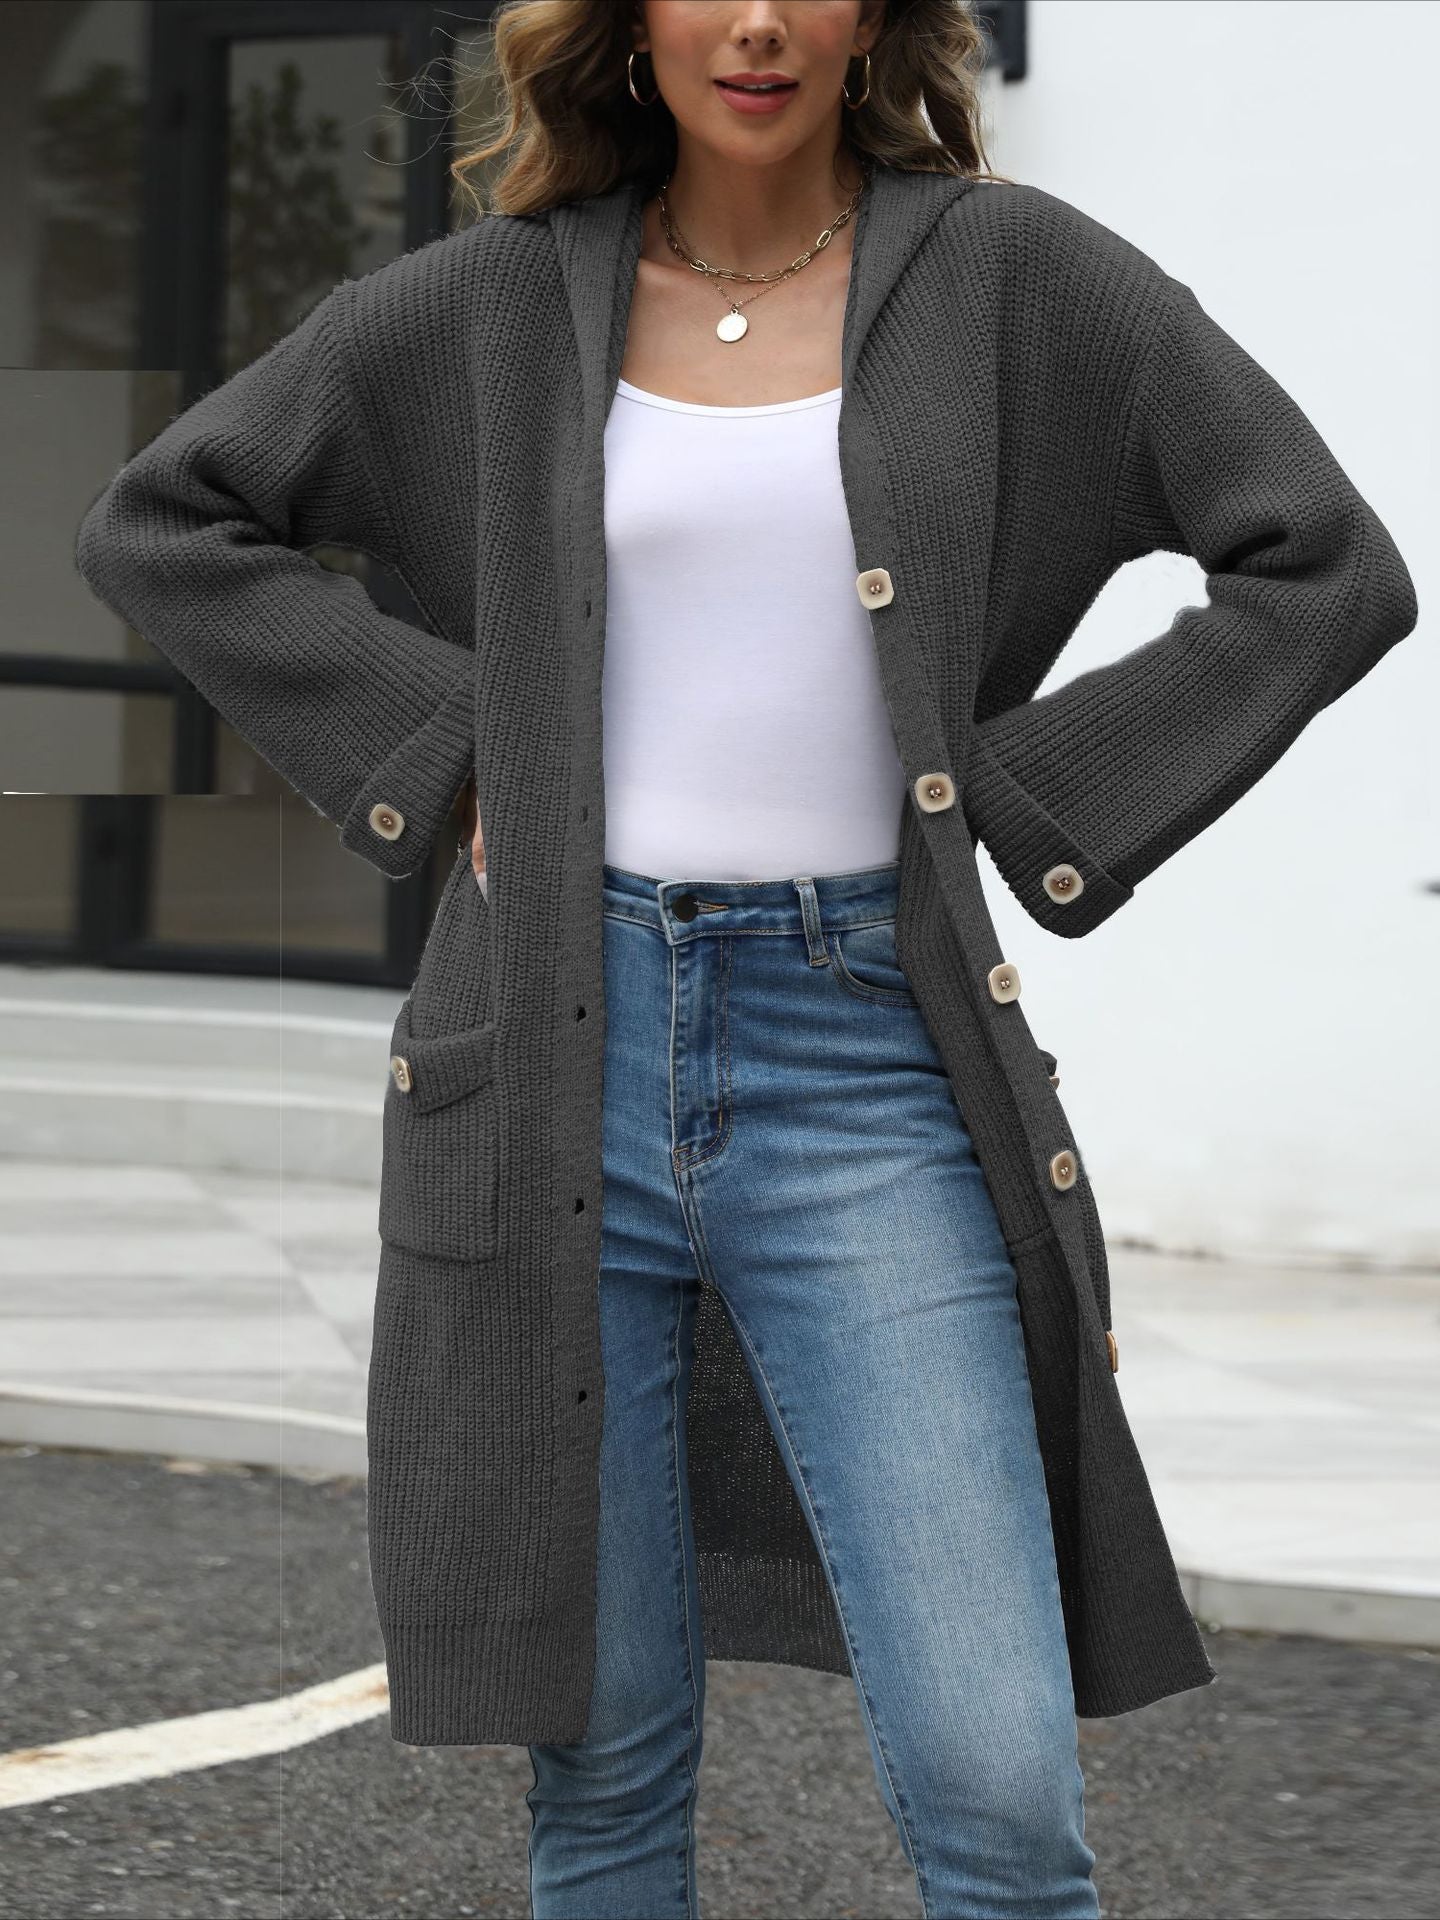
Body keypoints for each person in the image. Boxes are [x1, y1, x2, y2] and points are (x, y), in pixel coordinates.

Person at [74, 3, 1419, 1916]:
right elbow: (168, 519)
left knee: (999, 1784)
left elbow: (1322, 564)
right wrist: (448, 743)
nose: (763, 18)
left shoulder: (1013, 274)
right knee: (607, 1771)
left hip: (867, 1059)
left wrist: (1037, 796)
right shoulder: (493, 302)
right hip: (546, 1058)